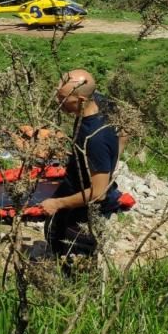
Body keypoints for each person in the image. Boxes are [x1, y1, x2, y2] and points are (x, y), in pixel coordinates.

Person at [40, 69, 123, 270]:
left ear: (81, 99)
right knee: (53, 231)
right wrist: (112, 158)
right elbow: (127, 125)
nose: (57, 101)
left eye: (62, 97)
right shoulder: (103, 103)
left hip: (85, 209)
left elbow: (98, 193)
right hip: (75, 184)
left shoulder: (94, 138)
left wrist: (57, 203)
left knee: (75, 260)